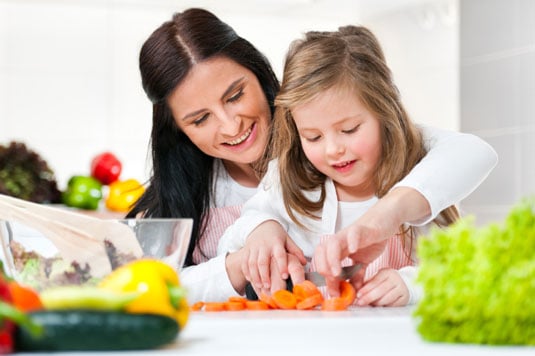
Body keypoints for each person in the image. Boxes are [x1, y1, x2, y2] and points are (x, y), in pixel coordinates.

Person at [129, 8, 498, 303]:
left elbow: (471, 153)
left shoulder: (392, 159)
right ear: (178, 130)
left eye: (235, 96)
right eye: (200, 119)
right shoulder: (276, 178)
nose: (229, 126)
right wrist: (256, 237)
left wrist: (385, 220)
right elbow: (150, 289)